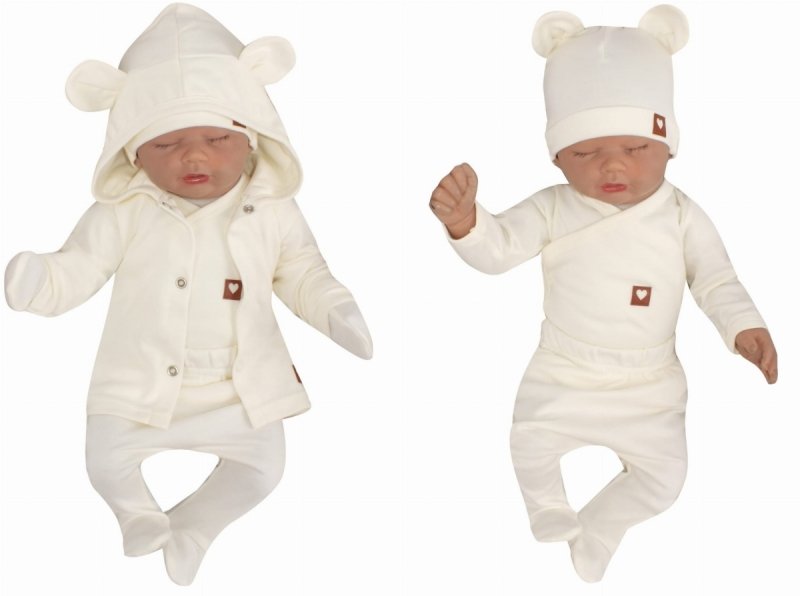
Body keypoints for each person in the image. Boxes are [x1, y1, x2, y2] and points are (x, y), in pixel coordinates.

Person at [4, 3, 372, 586]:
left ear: (252, 139)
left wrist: (336, 310)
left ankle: (195, 527)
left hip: (237, 387)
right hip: (141, 380)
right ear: (132, 153)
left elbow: (302, 271)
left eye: (216, 138)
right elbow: (80, 265)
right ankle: (135, 514)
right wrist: (40, 282)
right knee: (105, 459)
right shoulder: (126, 210)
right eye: (167, 143)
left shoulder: (272, 209)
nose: (194, 155)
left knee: (263, 468)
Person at [429, 5, 777, 583]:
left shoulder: (682, 216)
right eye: (586, 152)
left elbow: (716, 278)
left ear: (668, 146)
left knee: (666, 479)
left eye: (636, 148)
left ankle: (600, 526)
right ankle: (547, 506)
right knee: (529, 442)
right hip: (565, 367)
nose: (612, 164)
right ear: (558, 156)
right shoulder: (553, 207)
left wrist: (744, 326)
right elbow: (500, 249)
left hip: (649, 381)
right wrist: (468, 223)